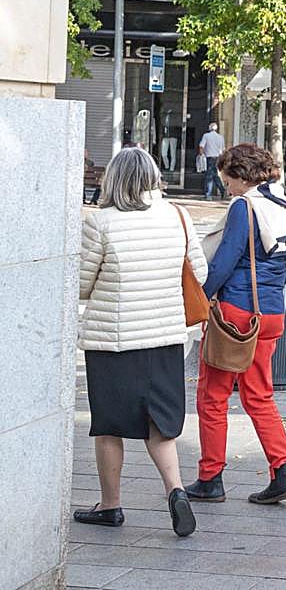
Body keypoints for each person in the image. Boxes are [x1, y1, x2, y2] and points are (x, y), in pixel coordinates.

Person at [75, 147, 206, 537]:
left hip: (113, 343)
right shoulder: (178, 216)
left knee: (109, 426)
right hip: (165, 339)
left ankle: (111, 505)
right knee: (159, 425)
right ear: (152, 177)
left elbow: (81, 285)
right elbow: (199, 270)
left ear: (112, 179)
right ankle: (176, 491)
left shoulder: (101, 223)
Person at [186, 143, 286, 505]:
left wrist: (201, 297)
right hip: (270, 313)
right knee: (259, 395)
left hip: (236, 315)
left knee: (212, 396)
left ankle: (210, 477)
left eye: (227, 178)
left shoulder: (245, 206)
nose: (225, 186)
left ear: (240, 176)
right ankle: (281, 470)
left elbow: (225, 261)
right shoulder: (281, 205)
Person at [198, 122, 227, 200]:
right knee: (214, 175)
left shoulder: (206, 136)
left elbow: (201, 146)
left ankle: (208, 195)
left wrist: (201, 156)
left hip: (209, 157)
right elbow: (223, 149)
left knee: (209, 176)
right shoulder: (220, 137)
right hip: (218, 157)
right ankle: (222, 190)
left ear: (209, 128)